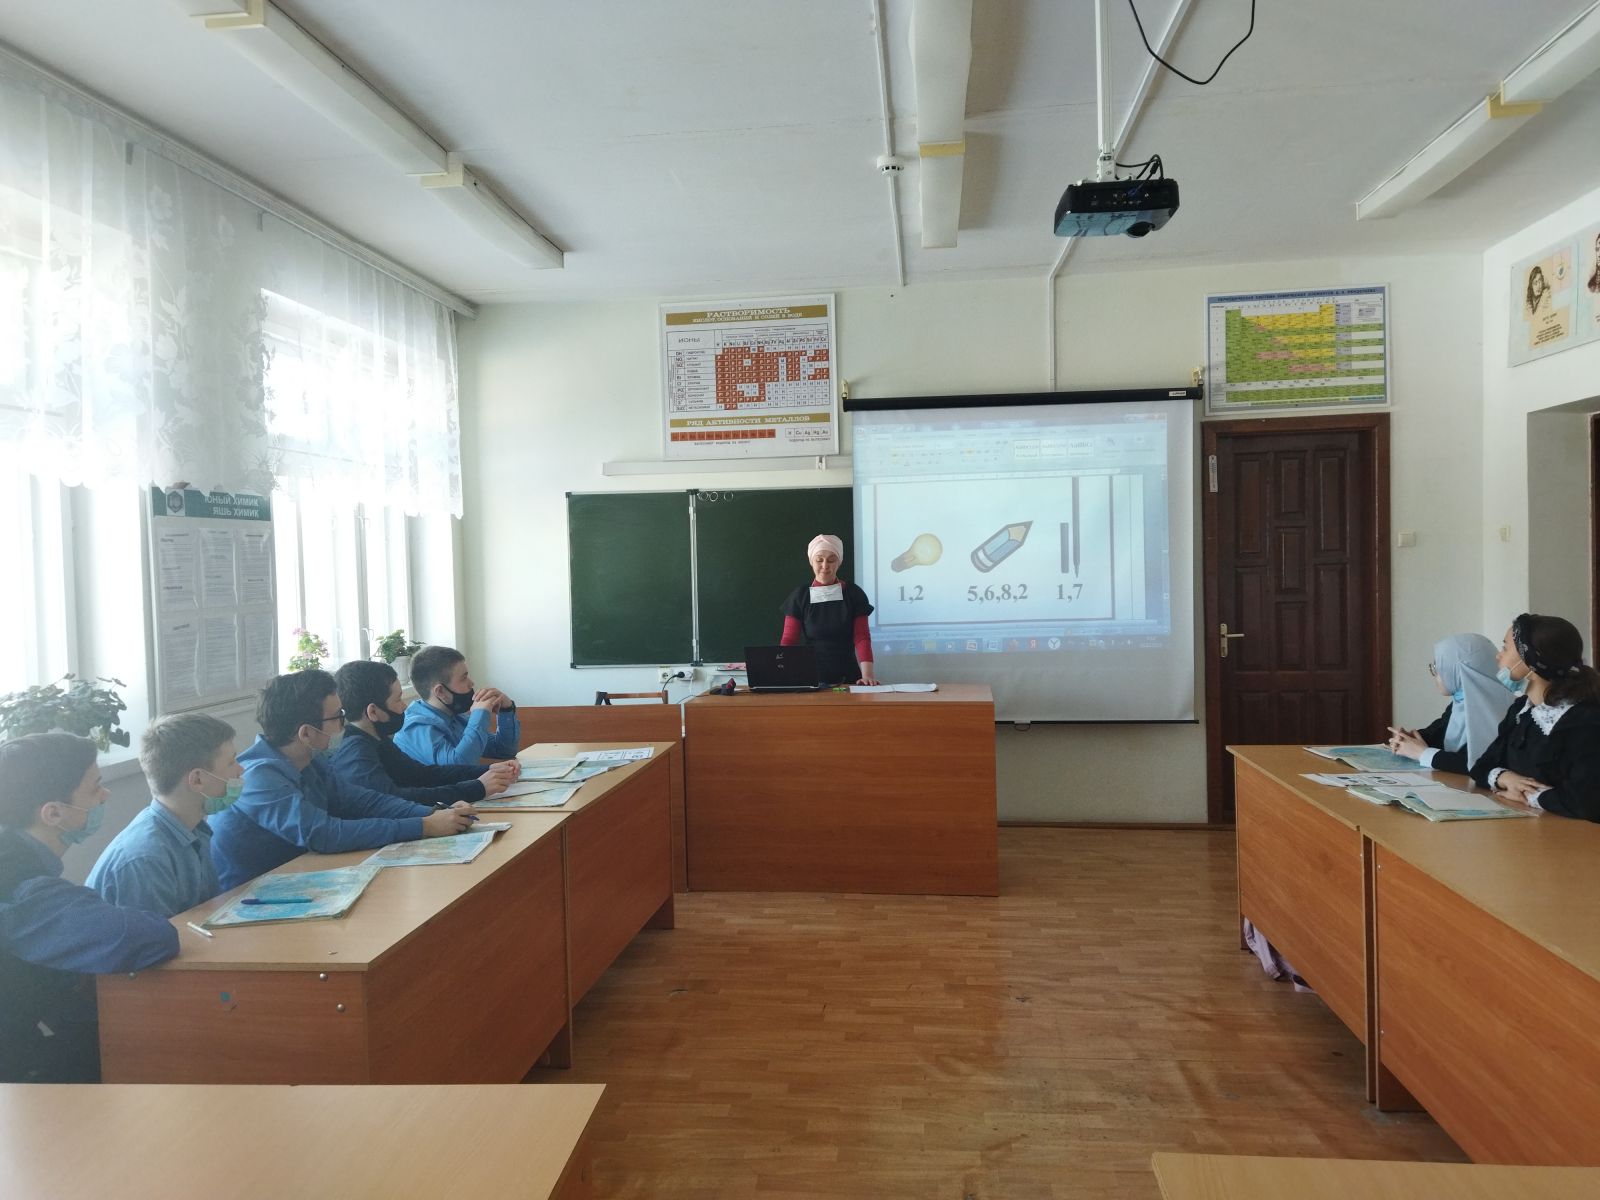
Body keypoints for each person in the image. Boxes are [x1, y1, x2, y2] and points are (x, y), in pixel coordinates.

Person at [0, 733, 178, 1083]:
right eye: (95, 787)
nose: (105, 795)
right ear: (53, 813)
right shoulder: (24, 890)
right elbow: (148, 938)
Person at [210, 670, 477, 890]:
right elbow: (323, 833)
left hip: (298, 878)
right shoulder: (257, 777)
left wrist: (434, 813)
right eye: (338, 716)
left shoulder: (311, 760)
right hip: (248, 895)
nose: (345, 724)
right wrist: (423, 826)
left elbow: (363, 802)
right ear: (306, 733)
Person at [86, 713, 236, 916]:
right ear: (197, 780)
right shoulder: (146, 859)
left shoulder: (194, 829)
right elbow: (155, 936)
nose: (241, 770)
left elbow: (207, 913)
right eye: (231, 763)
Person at [330, 660, 518, 806]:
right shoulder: (356, 753)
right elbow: (395, 799)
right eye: (398, 700)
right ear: (373, 712)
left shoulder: (376, 739)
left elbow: (422, 774)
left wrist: (489, 770)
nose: (404, 706)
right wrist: (478, 787)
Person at [1469, 614, 1600, 821]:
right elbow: (1481, 766)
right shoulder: (1521, 709)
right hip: (1524, 824)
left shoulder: (1585, 720)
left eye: (1505, 648)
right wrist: (1505, 778)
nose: (1498, 656)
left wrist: (1530, 796)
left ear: (1531, 660)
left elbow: (1586, 802)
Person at [1385, 633, 1505, 774]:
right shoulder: (1460, 703)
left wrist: (1421, 753)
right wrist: (1407, 739)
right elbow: (1437, 733)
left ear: (1459, 672)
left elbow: (1475, 764)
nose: (1434, 673)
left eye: (1437, 667)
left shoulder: (1496, 712)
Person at [394, 645, 521, 766]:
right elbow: (457, 766)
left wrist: (506, 710)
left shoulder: (454, 716)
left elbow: (504, 750)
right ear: (440, 691)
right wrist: (479, 715)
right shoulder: (416, 727)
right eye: (463, 678)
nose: (471, 683)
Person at [779, 534, 877, 685]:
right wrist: (781, 673)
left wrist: (867, 676)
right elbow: (789, 640)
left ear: (839, 562)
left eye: (831, 560)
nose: (825, 566)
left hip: (848, 678)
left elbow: (862, 637)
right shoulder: (800, 596)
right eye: (819, 560)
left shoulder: (853, 594)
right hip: (810, 679)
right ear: (811, 562)